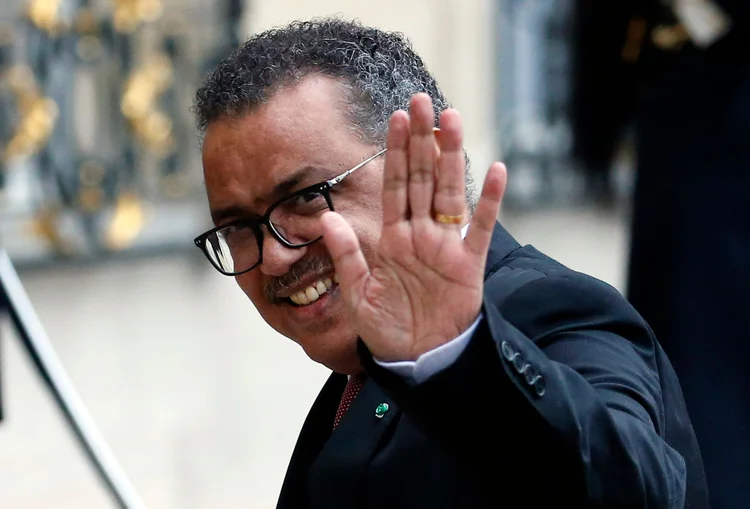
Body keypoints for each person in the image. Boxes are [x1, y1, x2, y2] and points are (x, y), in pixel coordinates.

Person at [192, 18, 708, 508]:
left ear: (429, 164)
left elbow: (637, 490)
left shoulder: (550, 310)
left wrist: (458, 355)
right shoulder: (363, 372)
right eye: (237, 227)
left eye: (306, 197)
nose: (277, 257)